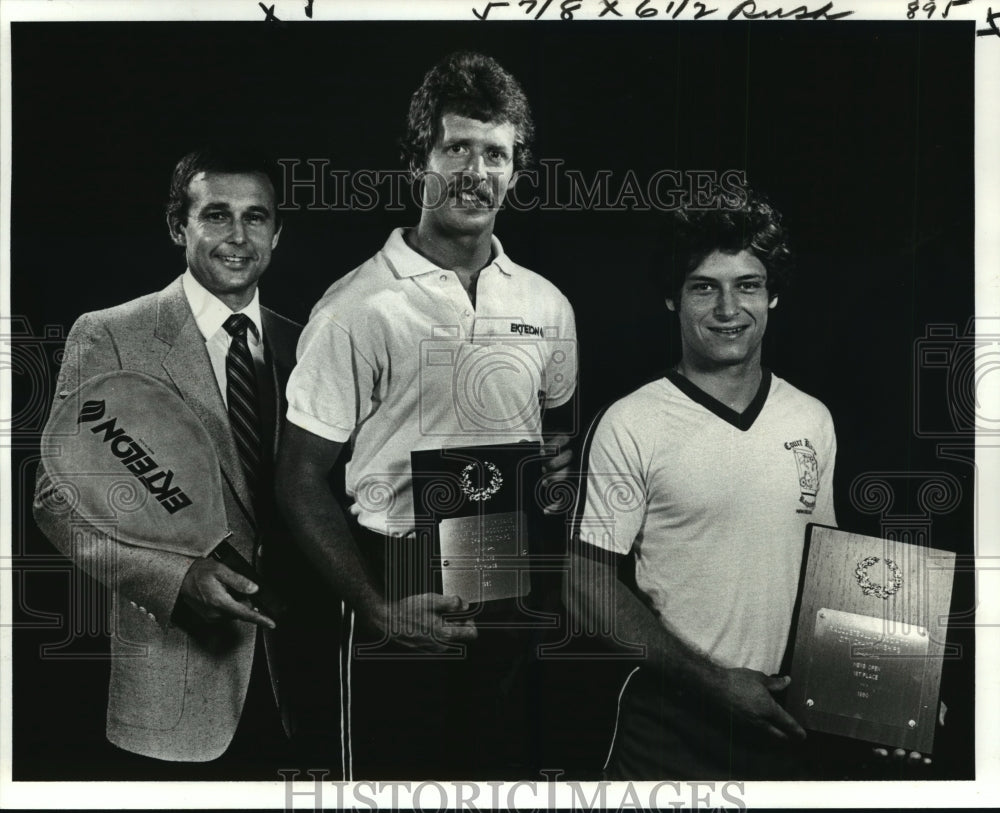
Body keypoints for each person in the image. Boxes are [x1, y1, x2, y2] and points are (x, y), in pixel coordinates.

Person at [276, 51, 577, 779]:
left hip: (507, 580)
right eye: (457, 148)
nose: (476, 171)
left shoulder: (546, 304)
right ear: (420, 161)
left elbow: (560, 436)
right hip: (396, 579)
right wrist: (375, 603)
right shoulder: (357, 307)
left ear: (516, 170)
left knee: (497, 780)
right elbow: (297, 477)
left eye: (496, 154)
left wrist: (559, 476)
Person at [32, 148, 329, 778]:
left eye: (256, 217)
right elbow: (57, 503)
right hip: (177, 682)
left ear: (277, 233)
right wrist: (175, 578)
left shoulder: (306, 346)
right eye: (216, 215)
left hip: (304, 681)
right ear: (178, 227)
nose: (239, 237)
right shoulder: (112, 334)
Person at [567, 188, 838, 779]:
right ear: (672, 298)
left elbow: (831, 575)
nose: (727, 308)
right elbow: (584, 585)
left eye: (747, 284)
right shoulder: (631, 422)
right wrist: (714, 683)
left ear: (773, 295)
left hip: (782, 719)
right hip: (667, 728)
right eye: (703, 286)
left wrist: (894, 695)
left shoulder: (811, 419)